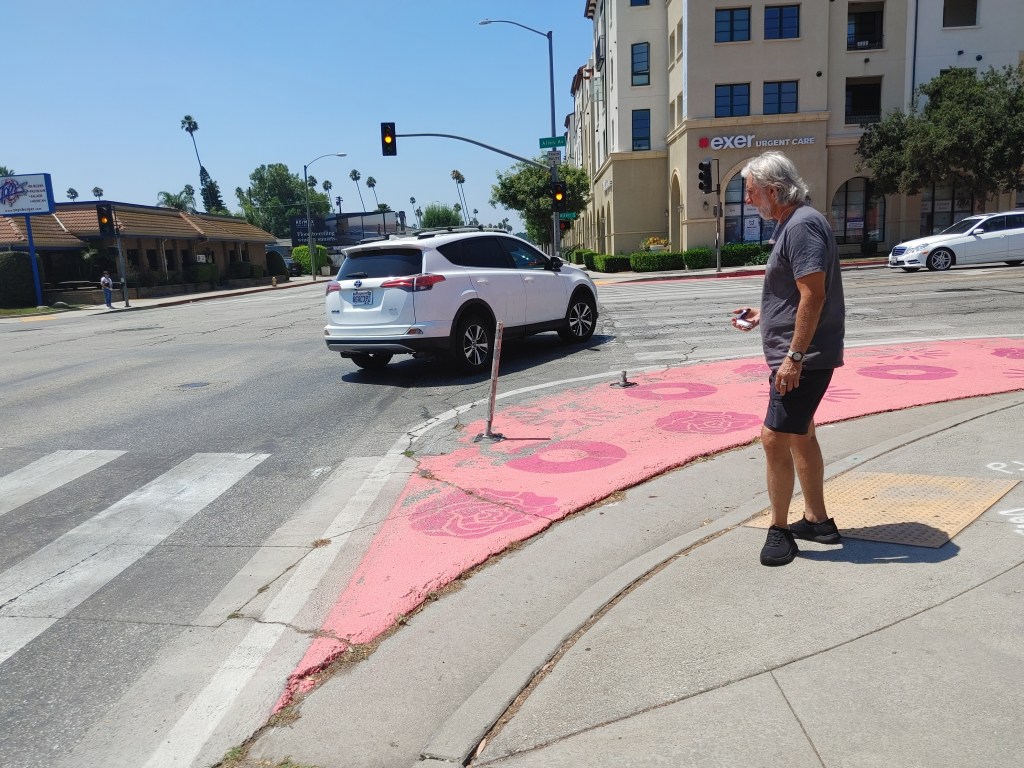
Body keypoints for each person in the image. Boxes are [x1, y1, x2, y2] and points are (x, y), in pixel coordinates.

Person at [731, 151, 846, 566]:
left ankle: (779, 530)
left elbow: (815, 294)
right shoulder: (795, 224)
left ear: (774, 191)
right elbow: (798, 293)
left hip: (803, 359)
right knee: (801, 434)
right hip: (802, 354)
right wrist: (764, 315)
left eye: (751, 192)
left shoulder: (801, 226)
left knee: (773, 438)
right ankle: (818, 521)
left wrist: (794, 357)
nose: (748, 200)